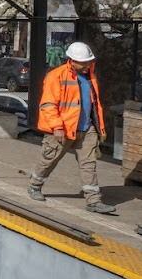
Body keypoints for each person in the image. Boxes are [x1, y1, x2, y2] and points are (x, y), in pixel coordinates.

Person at [29, 42, 116, 214]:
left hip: (86, 128)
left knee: (88, 164)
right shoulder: (56, 76)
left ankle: (93, 201)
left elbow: (93, 103)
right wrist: (57, 127)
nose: (87, 65)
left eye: (89, 62)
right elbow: (48, 105)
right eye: (83, 62)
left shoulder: (90, 75)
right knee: (50, 159)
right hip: (63, 129)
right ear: (72, 60)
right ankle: (34, 186)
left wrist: (99, 129)